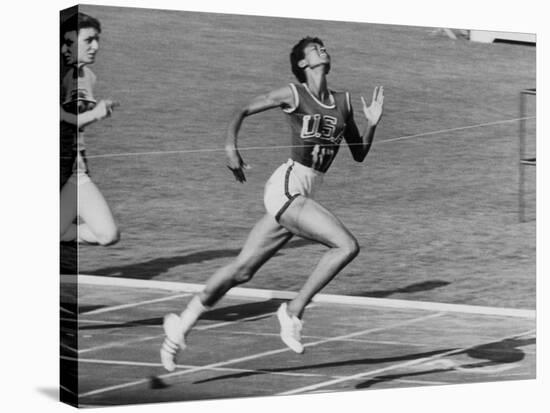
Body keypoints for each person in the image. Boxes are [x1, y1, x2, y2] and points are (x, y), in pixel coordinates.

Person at [161, 36, 384, 371]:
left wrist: (372, 124)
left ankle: (180, 326)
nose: (322, 50)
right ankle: (293, 310)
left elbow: (359, 154)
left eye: (323, 46)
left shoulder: (343, 101)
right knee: (346, 245)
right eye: (314, 49)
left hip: (305, 194)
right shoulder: (294, 94)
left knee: (243, 270)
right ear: (302, 64)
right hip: (286, 187)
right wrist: (230, 146)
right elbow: (243, 110)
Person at [60, 12, 120, 246]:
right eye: (88, 40)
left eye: (97, 40)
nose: (96, 46)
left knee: (108, 235)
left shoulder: (85, 75)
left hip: (75, 170)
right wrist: (95, 114)